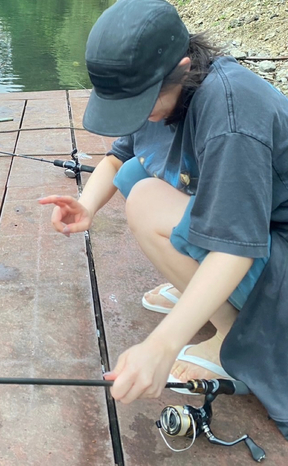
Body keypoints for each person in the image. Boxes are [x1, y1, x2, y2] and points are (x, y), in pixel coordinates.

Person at [39, 0, 288, 438]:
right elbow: (120, 160)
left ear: (183, 68)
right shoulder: (163, 91)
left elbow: (233, 249)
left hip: (272, 260)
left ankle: (231, 335)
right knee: (138, 173)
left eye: (139, 103)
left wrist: (162, 344)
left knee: (148, 199)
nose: (136, 116)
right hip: (257, 228)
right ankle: (201, 289)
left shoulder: (231, 115)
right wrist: (88, 205)